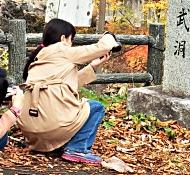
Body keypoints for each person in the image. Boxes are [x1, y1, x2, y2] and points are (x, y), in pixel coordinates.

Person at [17, 18, 120, 164]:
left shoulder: (39, 57)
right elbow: (99, 48)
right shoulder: (63, 50)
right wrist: (109, 36)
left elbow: (62, 85)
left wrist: (92, 66)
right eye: (72, 40)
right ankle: (77, 149)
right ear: (63, 38)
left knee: (77, 109)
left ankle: (59, 144)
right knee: (96, 108)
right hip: (52, 126)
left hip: (31, 130)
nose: (71, 44)